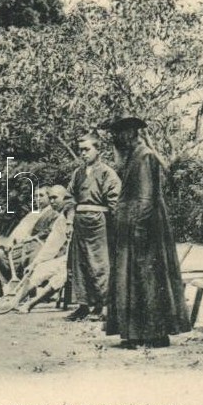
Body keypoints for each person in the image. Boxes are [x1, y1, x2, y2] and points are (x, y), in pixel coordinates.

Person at [103, 115, 191, 348]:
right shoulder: (133, 156)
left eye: (119, 133)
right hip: (133, 226)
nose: (115, 138)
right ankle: (137, 333)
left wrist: (138, 231)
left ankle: (153, 334)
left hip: (144, 228)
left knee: (147, 278)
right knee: (135, 280)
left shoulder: (144, 156)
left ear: (131, 133)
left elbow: (145, 198)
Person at [64, 133, 121, 321]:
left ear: (98, 150)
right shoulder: (78, 173)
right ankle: (83, 306)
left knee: (99, 264)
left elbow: (115, 202)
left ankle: (104, 306)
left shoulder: (107, 173)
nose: (83, 153)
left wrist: (116, 228)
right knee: (80, 264)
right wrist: (70, 219)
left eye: (87, 149)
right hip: (79, 222)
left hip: (99, 223)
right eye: (81, 150)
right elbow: (69, 197)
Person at [0, 185, 75, 315]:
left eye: (55, 198)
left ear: (65, 198)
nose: (52, 201)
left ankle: (30, 304)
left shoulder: (78, 216)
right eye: (50, 198)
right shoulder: (60, 220)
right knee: (39, 269)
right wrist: (34, 263)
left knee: (61, 275)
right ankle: (16, 300)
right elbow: (51, 246)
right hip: (67, 258)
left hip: (81, 259)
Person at [0, 187, 59, 282]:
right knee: (1, 257)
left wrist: (33, 238)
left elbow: (50, 231)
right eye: (35, 196)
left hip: (42, 245)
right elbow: (19, 231)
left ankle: (29, 286)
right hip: (25, 245)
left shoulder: (54, 213)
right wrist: (10, 243)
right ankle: (12, 284)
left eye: (41, 195)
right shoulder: (32, 214)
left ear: (49, 197)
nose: (38, 199)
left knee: (32, 255)